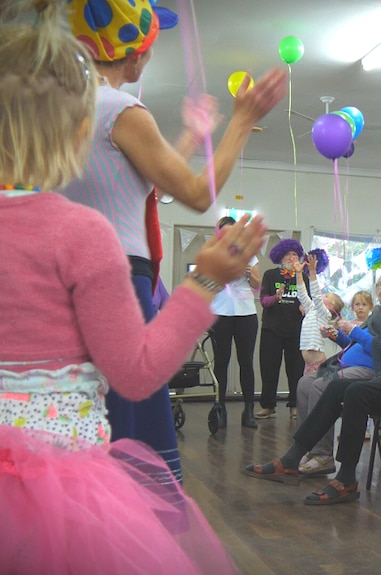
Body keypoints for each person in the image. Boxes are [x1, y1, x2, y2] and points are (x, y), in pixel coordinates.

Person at [0, 3, 266, 568]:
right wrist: (205, 278)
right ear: (75, 126)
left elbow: (148, 181)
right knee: (141, 438)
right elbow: (137, 368)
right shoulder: (81, 224)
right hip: (112, 287)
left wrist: (193, 137)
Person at [62, 0, 287, 481]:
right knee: (131, 401)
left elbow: (137, 181)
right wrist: (243, 119)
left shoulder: (65, 114)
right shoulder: (120, 108)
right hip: (119, 279)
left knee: (90, 407)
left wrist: (188, 139)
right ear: (137, 57)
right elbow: (195, 191)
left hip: (73, 277)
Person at [242, 261, 381, 506]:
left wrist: (380, 379)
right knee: (338, 386)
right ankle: (292, 459)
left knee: (357, 392)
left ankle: (346, 477)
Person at [294, 285, 381, 477]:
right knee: (305, 384)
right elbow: (353, 345)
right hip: (345, 365)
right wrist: (337, 335)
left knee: (321, 385)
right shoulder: (376, 315)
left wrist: (354, 332)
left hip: (371, 370)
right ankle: (307, 446)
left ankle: (323, 455)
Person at [210, 216, 261, 429]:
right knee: (221, 362)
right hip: (220, 312)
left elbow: (258, 285)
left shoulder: (249, 255)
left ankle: (248, 409)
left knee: (246, 362)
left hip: (245, 313)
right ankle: (219, 408)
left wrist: (249, 273)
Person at [257, 238, 307, 419]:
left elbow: (308, 301)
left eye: (295, 254)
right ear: (280, 257)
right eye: (288, 254)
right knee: (269, 369)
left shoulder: (303, 276)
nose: (292, 257)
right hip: (272, 329)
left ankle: (295, 405)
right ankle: (268, 406)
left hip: (295, 330)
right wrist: (276, 298)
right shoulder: (270, 275)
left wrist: (304, 307)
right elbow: (263, 301)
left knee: (296, 370)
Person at [293, 250, 344, 374]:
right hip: (309, 364)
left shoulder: (324, 314)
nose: (322, 296)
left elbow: (315, 294)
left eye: (326, 297)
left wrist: (312, 272)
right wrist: (299, 273)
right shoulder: (312, 310)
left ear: (331, 307)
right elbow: (302, 295)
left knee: (315, 391)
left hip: (317, 364)